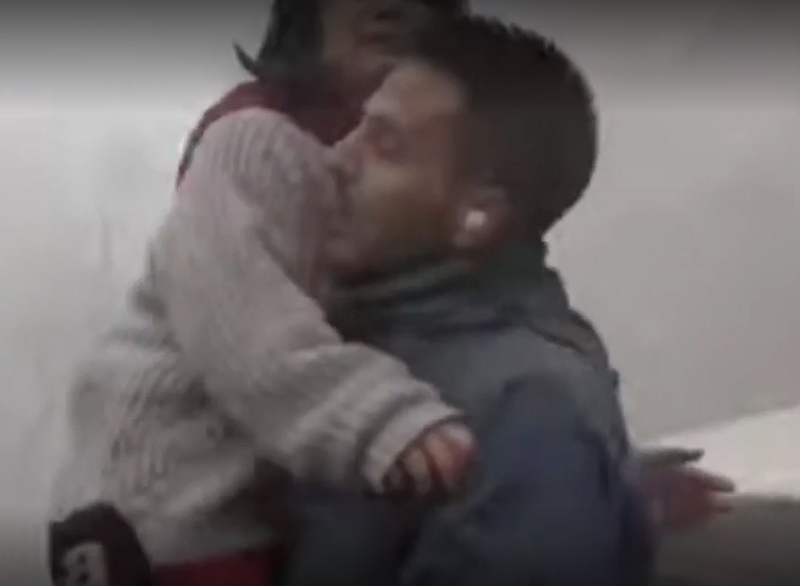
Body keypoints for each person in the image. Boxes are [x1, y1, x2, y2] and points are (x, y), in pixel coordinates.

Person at [281, 15, 733, 586]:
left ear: (478, 215)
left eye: (386, 146)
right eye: (356, 130)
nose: (335, 159)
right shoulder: (354, 339)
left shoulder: (532, 407)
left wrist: (553, 476)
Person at [47, 3, 476, 586]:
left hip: (242, 521)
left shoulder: (418, 184)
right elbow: (243, 331)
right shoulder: (252, 140)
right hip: (163, 524)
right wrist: (383, 419)